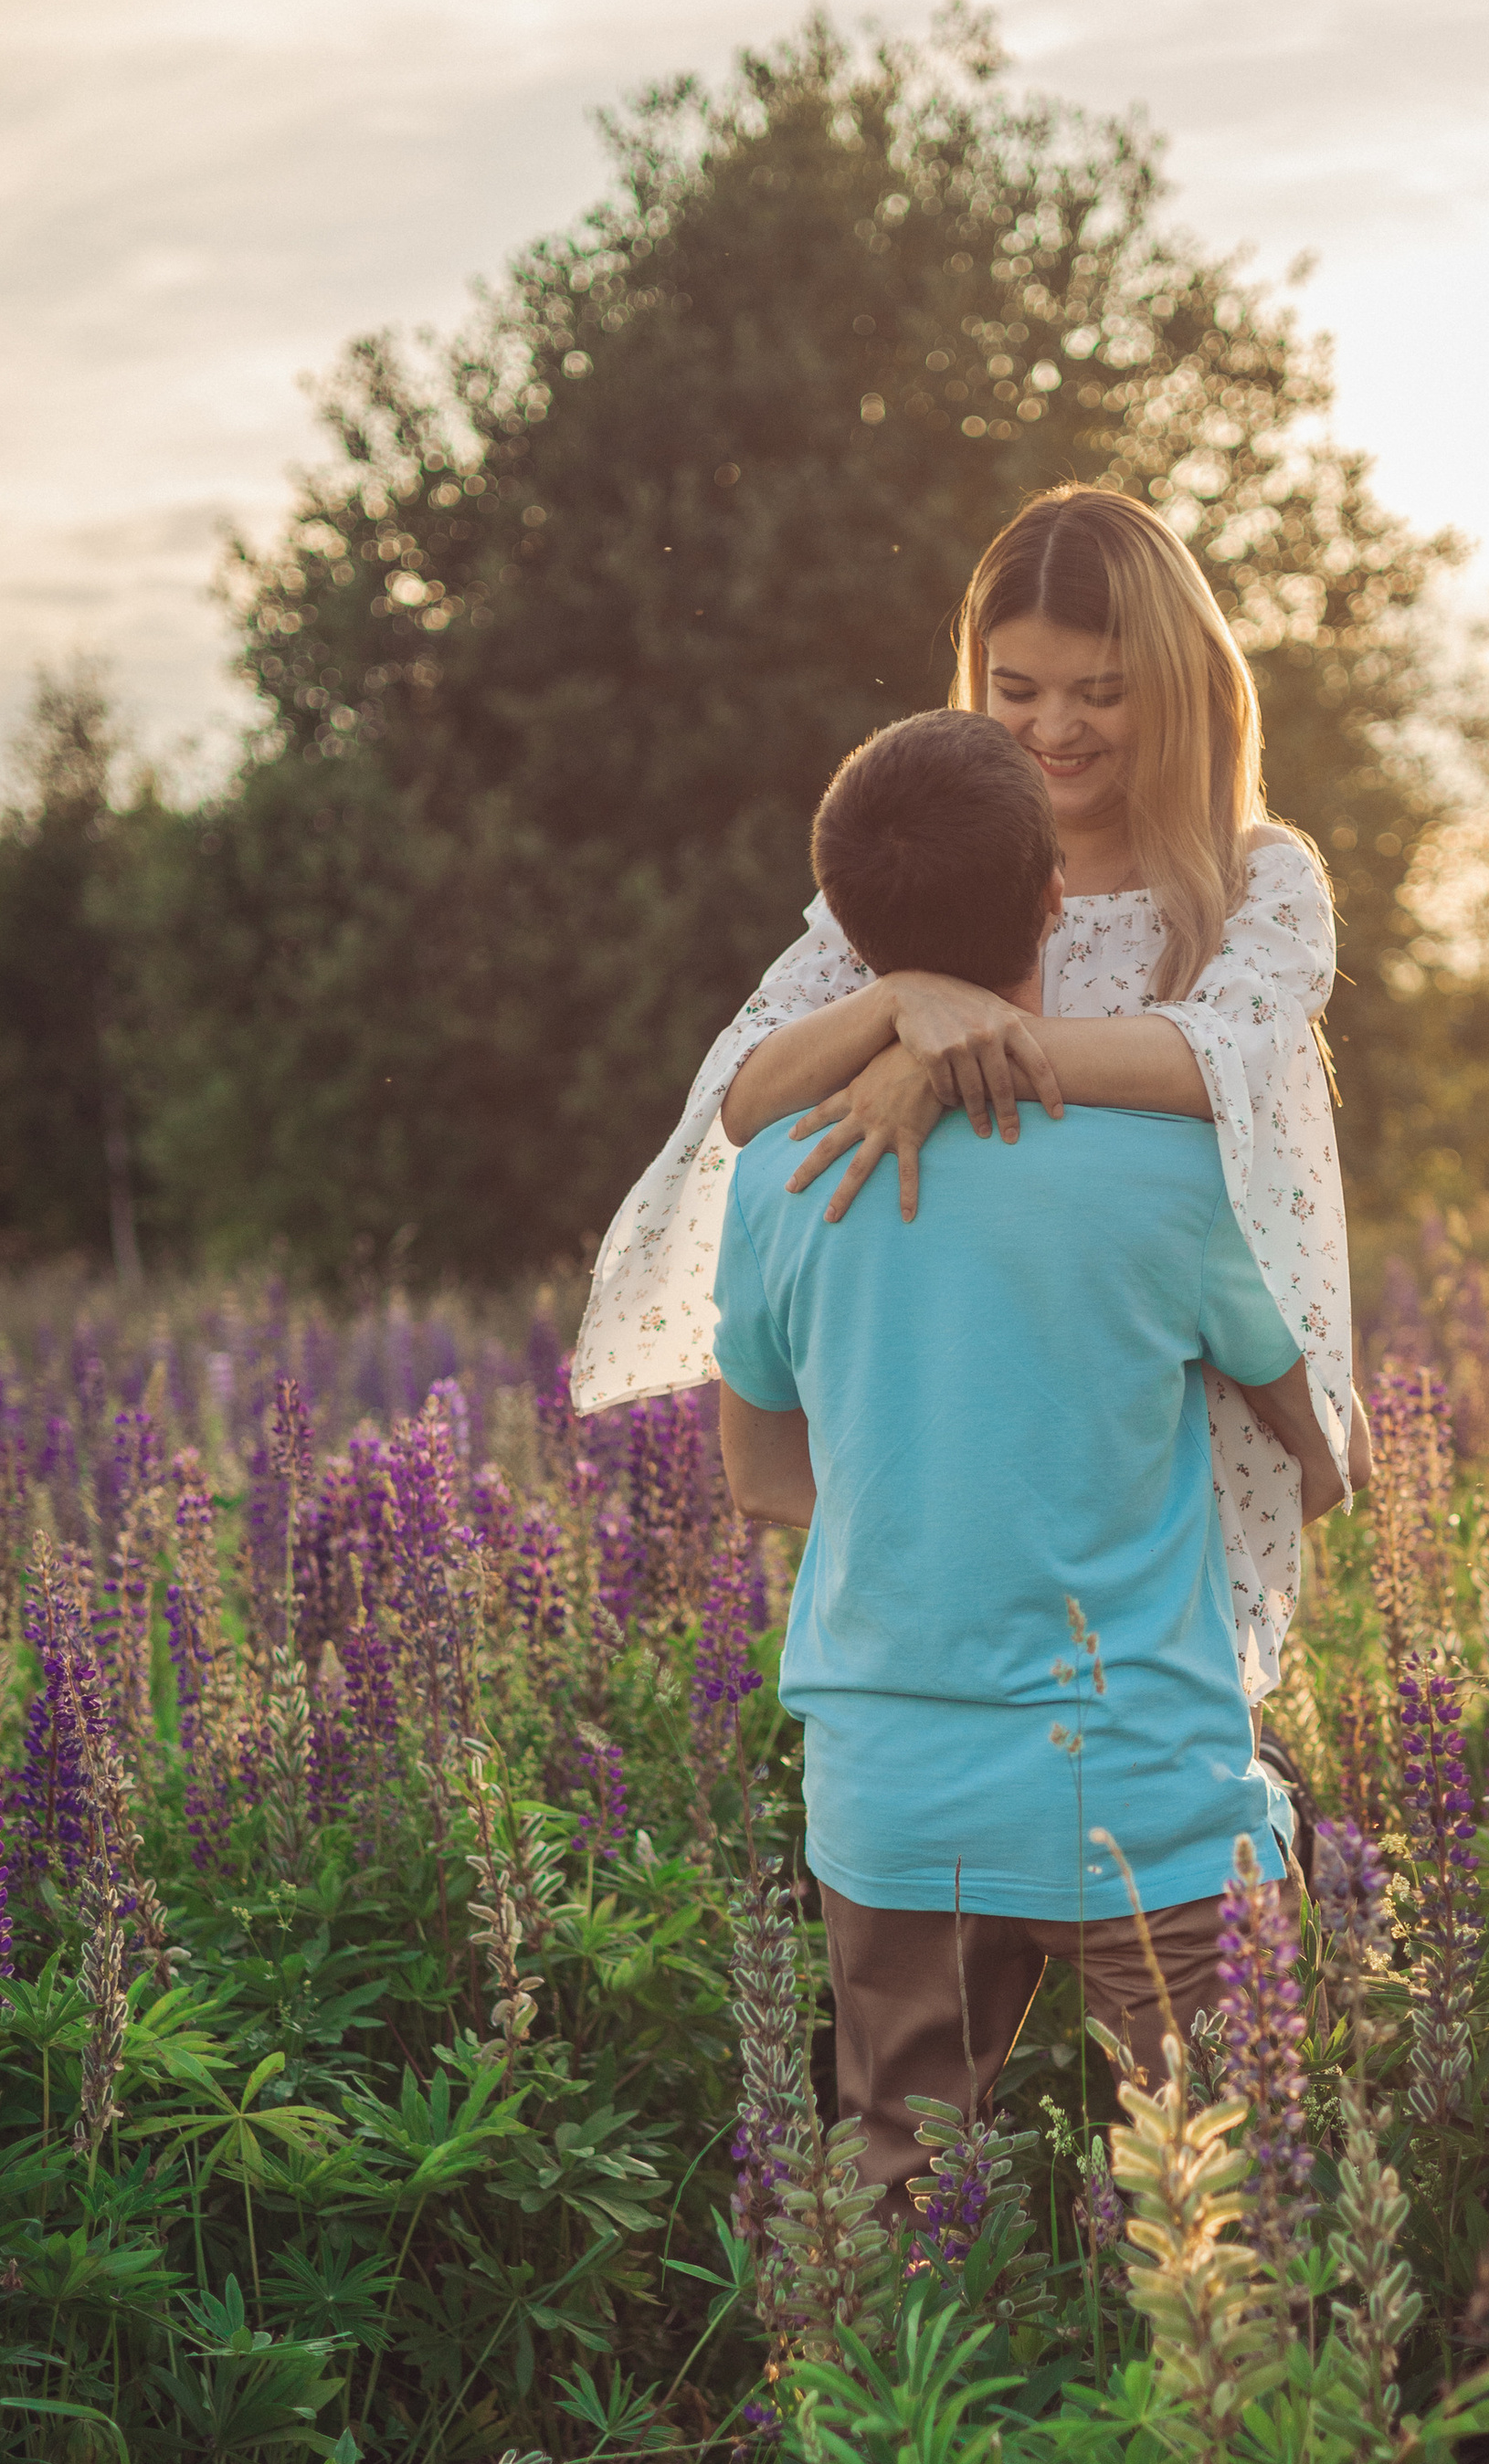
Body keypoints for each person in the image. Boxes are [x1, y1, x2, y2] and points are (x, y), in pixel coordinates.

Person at [572, 485, 1360, 1699]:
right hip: (972, 1374)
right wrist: (891, 1005)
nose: (1056, 728)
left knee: (1156, 1721)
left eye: (1102, 692)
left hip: (1168, 1379)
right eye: (1018, 689)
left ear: (1183, 683)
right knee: (979, 1697)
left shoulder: (1252, 875)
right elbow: (738, 1097)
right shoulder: (933, 851)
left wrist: (945, 1047)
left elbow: (1221, 1058)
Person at [713, 707, 1344, 2209]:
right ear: (1058, 903)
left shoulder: (779, 1177)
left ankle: (861, 2428)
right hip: (1142, 1780)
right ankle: (1226, 2449)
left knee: (894, 2186)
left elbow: (761, 1478)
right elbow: (1317, 1453)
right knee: (1237, 2205)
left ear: (854, 943)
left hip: (892, 1786)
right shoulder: (1173, 1171)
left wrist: (935, 1496)